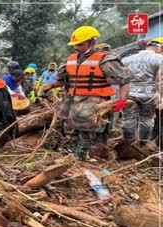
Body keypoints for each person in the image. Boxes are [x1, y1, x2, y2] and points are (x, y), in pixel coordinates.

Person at [43, 26, 130, 160]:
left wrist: (122, 101)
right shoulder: (71, 59)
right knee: (70, 127)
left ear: (92, 42)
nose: (76, 47)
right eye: (75, 45)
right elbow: (62, 80)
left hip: (94, 101)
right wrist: (51, 85)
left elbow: (124, 81)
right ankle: (73, 149)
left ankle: (86, 154)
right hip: (72, 99)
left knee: (89, 130)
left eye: (80, 44)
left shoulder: (105, 59)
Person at [121, 38, 163, 147]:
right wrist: (161, 97)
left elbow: (122, 79)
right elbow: (159, 80)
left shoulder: (127, 59)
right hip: (149, 95)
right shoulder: (159, 59)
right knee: (147, 120)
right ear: (159, 47)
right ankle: (142, 146)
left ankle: (128, 145)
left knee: (128, 120)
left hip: (129, 94)